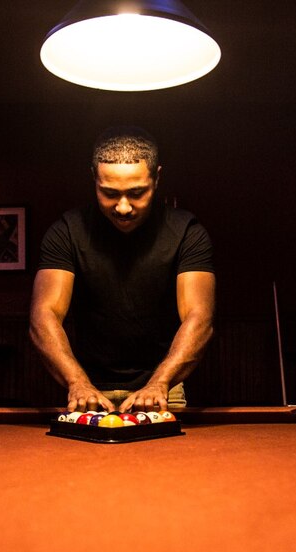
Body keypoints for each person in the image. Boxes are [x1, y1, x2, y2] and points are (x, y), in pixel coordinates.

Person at [30, 126, 215, 413]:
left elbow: (199, 317)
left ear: (157, 178)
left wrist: (159, 383)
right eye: (109, 193)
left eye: (137, 193)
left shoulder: (187, 233)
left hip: (162, 390)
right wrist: (77, 382)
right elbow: (44, 316)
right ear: (94, 178)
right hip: (86, 390)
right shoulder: (67, 231)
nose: (124, 207)